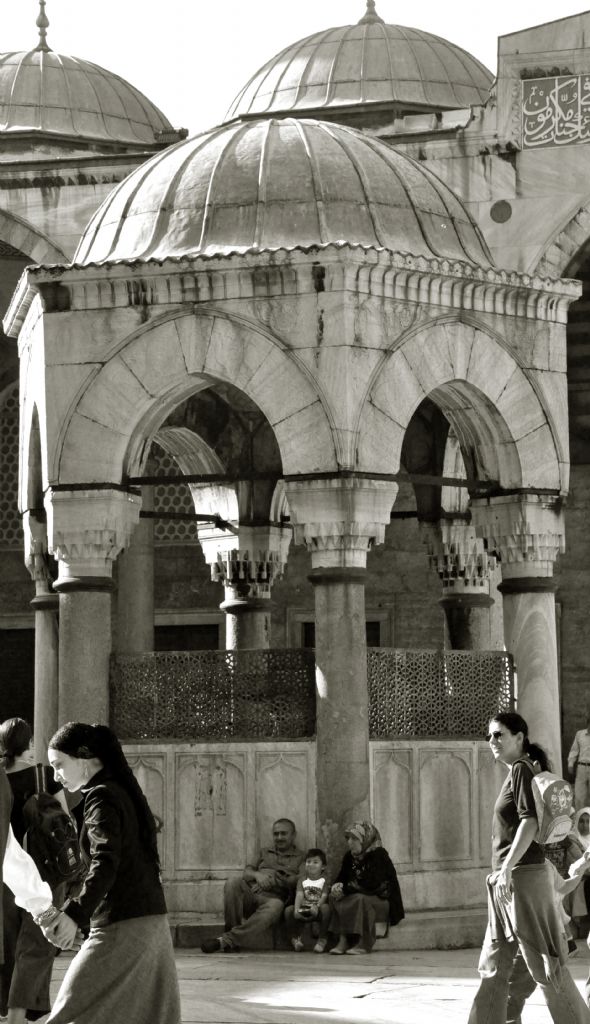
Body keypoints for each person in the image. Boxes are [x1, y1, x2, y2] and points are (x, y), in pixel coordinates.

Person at [40, 721, 181, 1024]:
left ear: (85, 758)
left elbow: (105, 861)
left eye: (59, 765)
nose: (56, 776)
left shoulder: (101, 797)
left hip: (123, 925)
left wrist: (74, 914)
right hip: (150, 920)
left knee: (71, 1011)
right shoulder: (119, 790)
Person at [468, 711, 590, 1024]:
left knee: (546, 967)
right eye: (490, 736)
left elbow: (530, 822)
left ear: (520, 738)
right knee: (494, 967)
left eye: (499, 734)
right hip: (507, 881)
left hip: (520, 879)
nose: (492, 741)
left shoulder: (522, 768)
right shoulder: (520, 771)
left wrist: (507, 867)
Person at [0, 718, 64, 1024]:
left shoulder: (2, 778)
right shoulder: (43, 775)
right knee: (36, 946)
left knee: (10, 945)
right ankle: (17, 1014)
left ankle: (19, 1010)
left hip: (7, 877)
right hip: (44, 869)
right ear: (30, 744)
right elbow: (63, 823)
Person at [201, 818, 305, 953]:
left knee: (276, 905)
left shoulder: (302, 856)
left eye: (283, 833)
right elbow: (247, 872)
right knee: (233, 882)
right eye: (276, 834)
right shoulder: (264, 852)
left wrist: (276, 881)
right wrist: (258, 876)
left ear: (293, 835)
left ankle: (227, 941)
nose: (279, 837)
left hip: (273, 901)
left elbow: (301, 880)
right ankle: (231, 934)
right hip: (252, 894)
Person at [328, 820, 404, 955]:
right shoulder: (349, 856)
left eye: (354, 838)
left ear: (366, 838)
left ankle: (365, 943)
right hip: (359, 895)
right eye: (348, 838)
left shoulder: (379, 855)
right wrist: (336, 887)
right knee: (335, 897)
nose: (350, 842)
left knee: (360, 899)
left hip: (382, 900)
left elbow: (372, 884)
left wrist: (345, 890)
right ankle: (343, 939)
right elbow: (342, 877)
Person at [284, 847, 330, 953]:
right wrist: (296, 910)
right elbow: (299, 895)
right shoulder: (302, 879)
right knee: (288, 911)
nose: (311, 864)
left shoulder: (324, 879)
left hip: (317, 909)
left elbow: (324, 896)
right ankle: (295, 939)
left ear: (323, 867)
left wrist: (317, 907)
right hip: (304, 909)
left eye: (315, 862)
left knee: (326, 908)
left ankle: (322, 940)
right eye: (308, 862)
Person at [568, 716, 590, 808]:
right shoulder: (580, 734)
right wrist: (570, 764)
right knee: (579, 797)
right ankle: (580, 819)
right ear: (588, 724)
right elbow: (574, 750)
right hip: (581, 767)